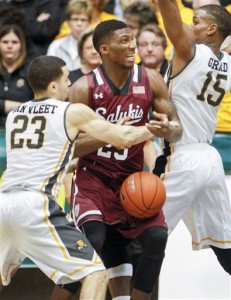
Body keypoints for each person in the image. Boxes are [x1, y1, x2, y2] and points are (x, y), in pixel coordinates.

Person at [0, 54, 162, 298]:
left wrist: (110, 128)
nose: (69, 84)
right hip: (35, 204)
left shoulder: (15, 116)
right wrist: (149, 128)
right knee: (94, 273)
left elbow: (52, 149)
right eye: (66, 78)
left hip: (4, 203)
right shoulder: (71, 111)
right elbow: (122, 138)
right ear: (53, 85)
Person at [56, 20, 183, 300]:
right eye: (124, 41)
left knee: (157, 238)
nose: (132, 46)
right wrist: (110, 134)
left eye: (132, 40)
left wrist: (168, 129)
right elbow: (68, 148)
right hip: (94, 183)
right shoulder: (83, 88)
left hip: (132, 181)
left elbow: (177, 129)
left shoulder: (151, 79)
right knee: (93, 241)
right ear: (104, 49)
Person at [153, 0, 231, 275]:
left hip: (182, 156)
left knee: (146, 236)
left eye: (196, 21)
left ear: (211, 29)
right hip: (210, 159)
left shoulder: (189, 50)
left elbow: (170, 12)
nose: (190, 25)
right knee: (225, 246)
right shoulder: (228, 62)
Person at [0, 24, 33, 128]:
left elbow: (40, 103)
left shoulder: (31, 70)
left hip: (24, 129)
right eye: (5, 42)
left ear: (21, 45)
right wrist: (16, 105)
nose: (9, 46)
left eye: (14, 42)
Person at [47, 0, 92, 71]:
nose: (79, 24)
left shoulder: (96, 47)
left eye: (83, 20)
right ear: (68, 22)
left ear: (89, 22)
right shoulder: (56, 46)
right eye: (75, 19)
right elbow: (49, 73)